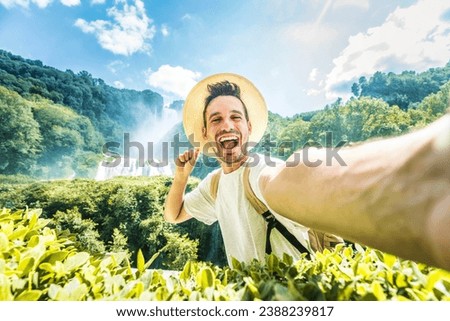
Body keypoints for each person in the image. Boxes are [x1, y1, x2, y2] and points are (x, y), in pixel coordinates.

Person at [164, 73, 450, 271]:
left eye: (236, 117)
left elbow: (290, 178)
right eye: (216, 119)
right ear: (205, 132)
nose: (227, 125)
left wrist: (424, 174)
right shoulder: (214, 185)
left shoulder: (259, 170)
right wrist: (181, 178)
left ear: (249, 128)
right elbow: (174, 215)